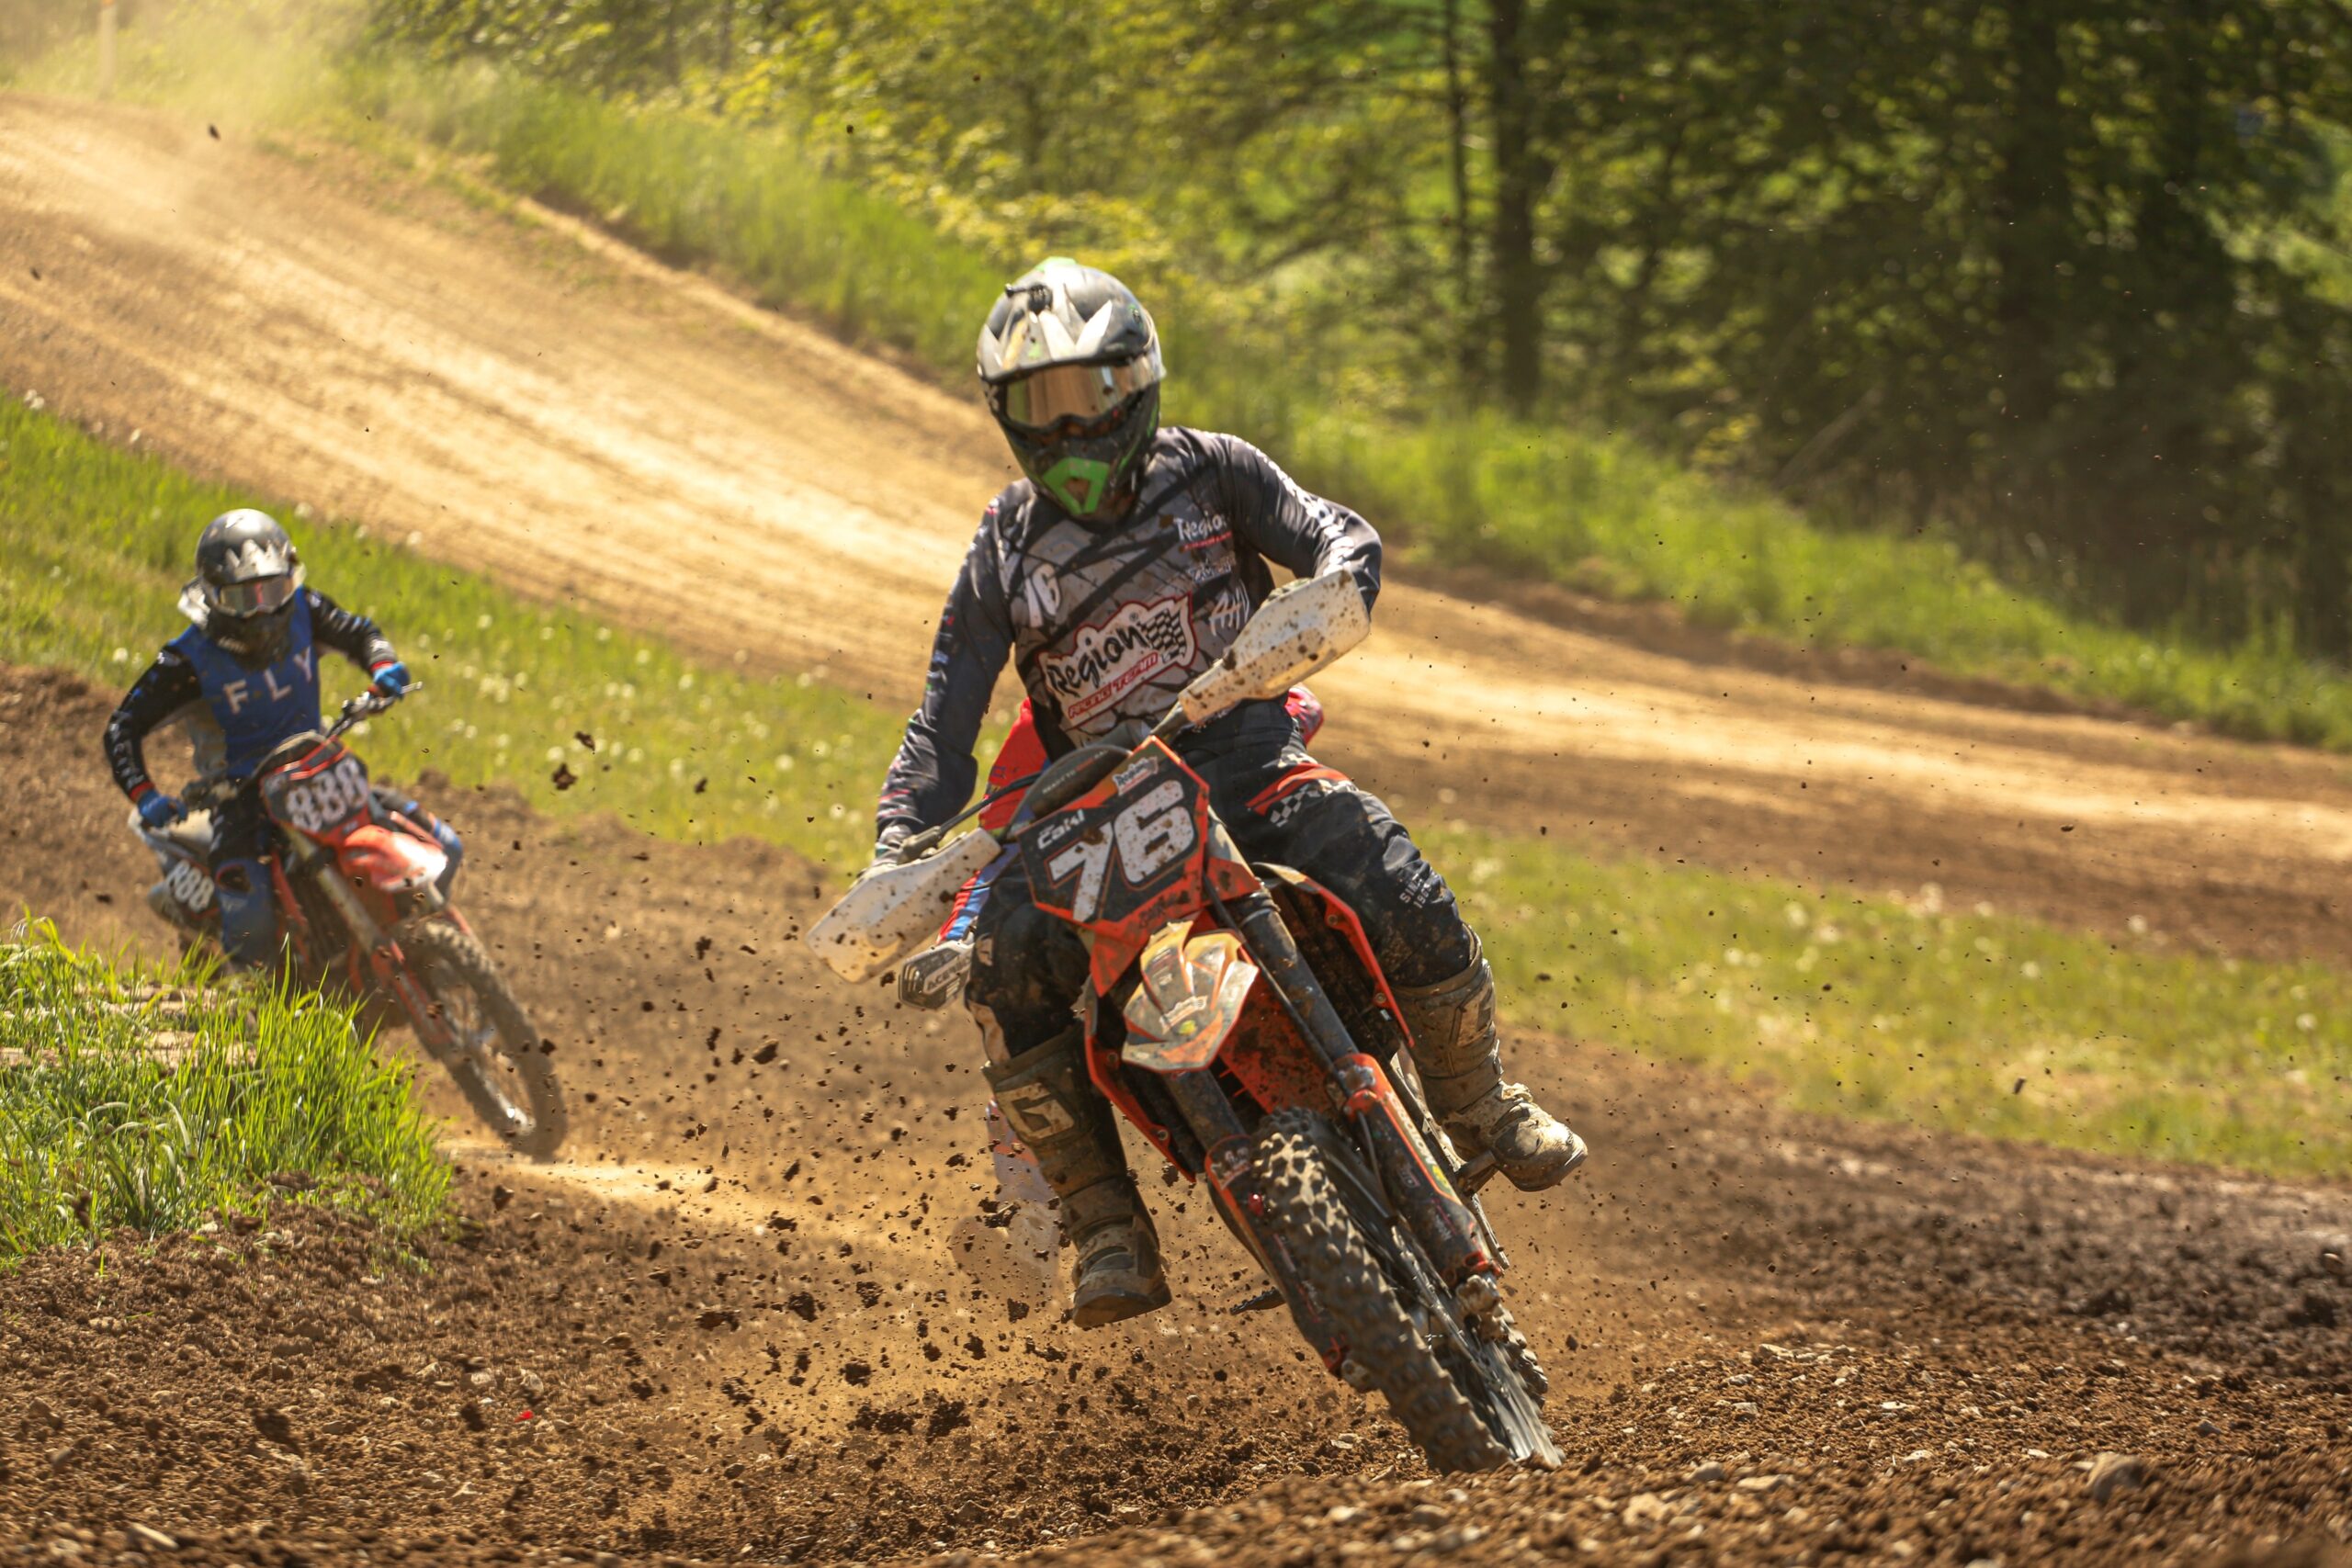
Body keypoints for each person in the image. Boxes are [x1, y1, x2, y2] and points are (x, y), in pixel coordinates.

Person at [873, 257, 1584, 1327]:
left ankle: (1482, 1105)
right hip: (1095, 822)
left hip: (1241, 762)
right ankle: (1103, 1225)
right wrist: (898, 846)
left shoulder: (1211, 471)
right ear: (1003, 414)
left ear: (1137, 380)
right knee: (1005, 971)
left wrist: (1337, 579)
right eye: (1038, 406)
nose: (1068, 428)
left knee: (1378, 858)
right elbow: (944, 716)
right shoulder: (1004, 546)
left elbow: (1332, 530)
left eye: (1088, 395)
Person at [103, 509, 458, 971]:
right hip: (243, 800)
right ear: (214, 596)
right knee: (250, 913)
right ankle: (249, 990)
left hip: (319, 774)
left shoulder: (305, 610)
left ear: (289, 580)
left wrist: (383, 663)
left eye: (272, 591)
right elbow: (122, 728)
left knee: (446, 846)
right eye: (243, 598)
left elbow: (360, 633)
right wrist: (145, 794)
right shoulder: (188, 660)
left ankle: (429, 960)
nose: (263, 610)